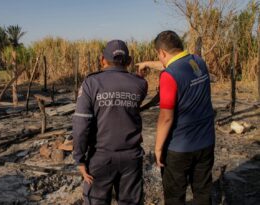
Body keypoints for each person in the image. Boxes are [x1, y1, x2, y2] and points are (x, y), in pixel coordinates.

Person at [73, 40, 148, 205]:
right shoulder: (140, 84)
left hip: (101, 157)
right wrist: (138, 75)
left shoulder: (91, 83)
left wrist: (79, 158)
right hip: (132, 158)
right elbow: (135, 95)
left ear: (102, 60)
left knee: (96, 201)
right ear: (129, 61)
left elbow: (81, 125)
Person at [152, 30, 215, 205]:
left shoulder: (168, 76)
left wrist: (158, 148)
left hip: (179, 148)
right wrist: (146, 64)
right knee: (203, 193)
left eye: (159, 56)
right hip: (206, 142)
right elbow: (174, 65)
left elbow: (166, 117)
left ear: (162, 53)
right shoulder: (198, 61)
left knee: (175, 196)